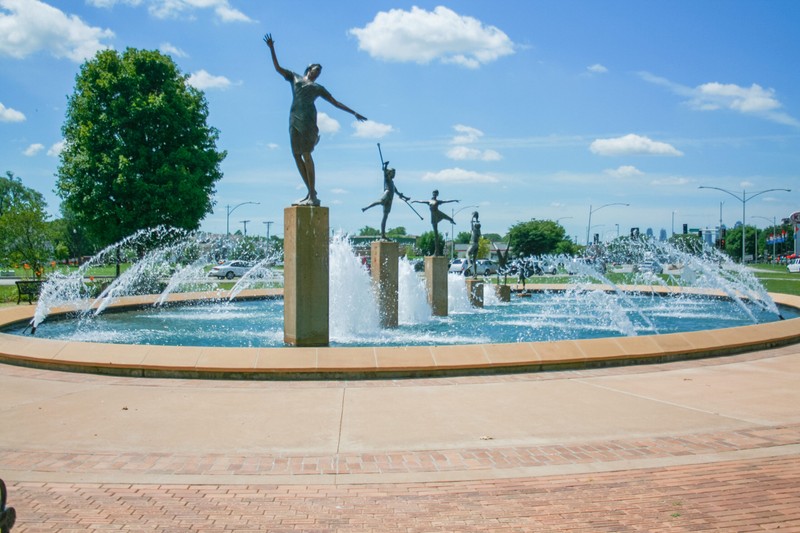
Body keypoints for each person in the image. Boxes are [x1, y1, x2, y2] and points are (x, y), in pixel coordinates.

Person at [264, 33, 367, 207]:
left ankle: (312, 194)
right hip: (293, 118)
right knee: (296, 155)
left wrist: (353, 112)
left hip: (308, 120)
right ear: (309, 69)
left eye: (319, 72)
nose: (317, 73)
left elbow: (335, 102)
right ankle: (311, 191)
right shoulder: (294, 77)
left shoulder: (318, 88)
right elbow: (277, 68)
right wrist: (272, 48)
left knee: (306, 153)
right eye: (315, 70)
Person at [362, 161, 410, 239]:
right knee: (380, 201)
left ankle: (383, 235)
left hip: (390, 200)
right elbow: (384, 171)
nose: (394, 175)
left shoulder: (393, 183)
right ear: (390, 173)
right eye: (393, 173)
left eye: (395, 173)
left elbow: (398, 193)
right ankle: (366, 208)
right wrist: (385, 165)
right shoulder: (387, 179)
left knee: (385, 216)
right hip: (387, 194)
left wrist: (405, 197)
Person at [413, 190, 458, 256]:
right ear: (432, 193)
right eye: (434, 193)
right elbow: (421, 201)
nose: (435, 194)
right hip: (433, 217)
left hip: (438, 213)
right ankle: (436, 251)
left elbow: (446, 201)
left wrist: (454, 200)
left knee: (447, 217)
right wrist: (415, 201)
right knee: (436, 234)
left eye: (436, 193)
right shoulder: (429, 201)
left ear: (437, 194)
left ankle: (451, 220)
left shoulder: (438, 201)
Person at [467, 211, 481, 277]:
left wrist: (473, 216)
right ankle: (475, 274)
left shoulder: (474, 230)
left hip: (472, 244)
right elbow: (476, 224)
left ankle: (469, 263)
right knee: (475, 260)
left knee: (467, 253)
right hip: (477, 245)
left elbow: (470, 221)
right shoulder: (479, 231)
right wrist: (477, 219)